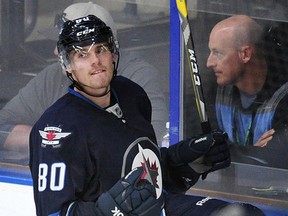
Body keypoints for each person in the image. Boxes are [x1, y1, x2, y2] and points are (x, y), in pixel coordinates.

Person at [29, 14, 265, 216]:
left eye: (101, 49)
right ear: (67, 65)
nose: (95, 61)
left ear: (113, 52)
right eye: (82, 55)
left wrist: (185, 162)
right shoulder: (56, 130)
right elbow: (53, 212)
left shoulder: (131, 94)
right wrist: (103, 212)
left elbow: (145, 183)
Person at [0, 2, 168, 162]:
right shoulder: (53, 76)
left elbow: (148, 143)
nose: (55, 51)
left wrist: (70, 142)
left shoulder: (137, 76)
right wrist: (51, 140)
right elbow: (2, 127)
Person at [206, 15, 288, 168]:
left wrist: (228, 150)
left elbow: (278, 161)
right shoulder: (214, 90)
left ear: (245, 54)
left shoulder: (284, 97)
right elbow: (201, 150)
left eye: (218, 53)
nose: (209, 63)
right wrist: (254, 151)